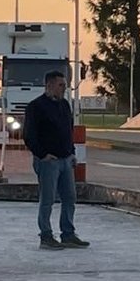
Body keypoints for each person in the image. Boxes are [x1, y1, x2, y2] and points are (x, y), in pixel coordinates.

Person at [23, 70, 90, 250]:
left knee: (69, 197)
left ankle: (68, 234)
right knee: (48, 199)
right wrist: (42, 154)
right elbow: (29, 135)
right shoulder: (36, 107)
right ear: (49, 85)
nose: (64, 89)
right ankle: (46, 236)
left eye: (65, 86)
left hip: (65, 160)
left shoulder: (64, 105)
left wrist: (72, 152)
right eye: (61, 85)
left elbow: (68, 131)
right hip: (48, 162)